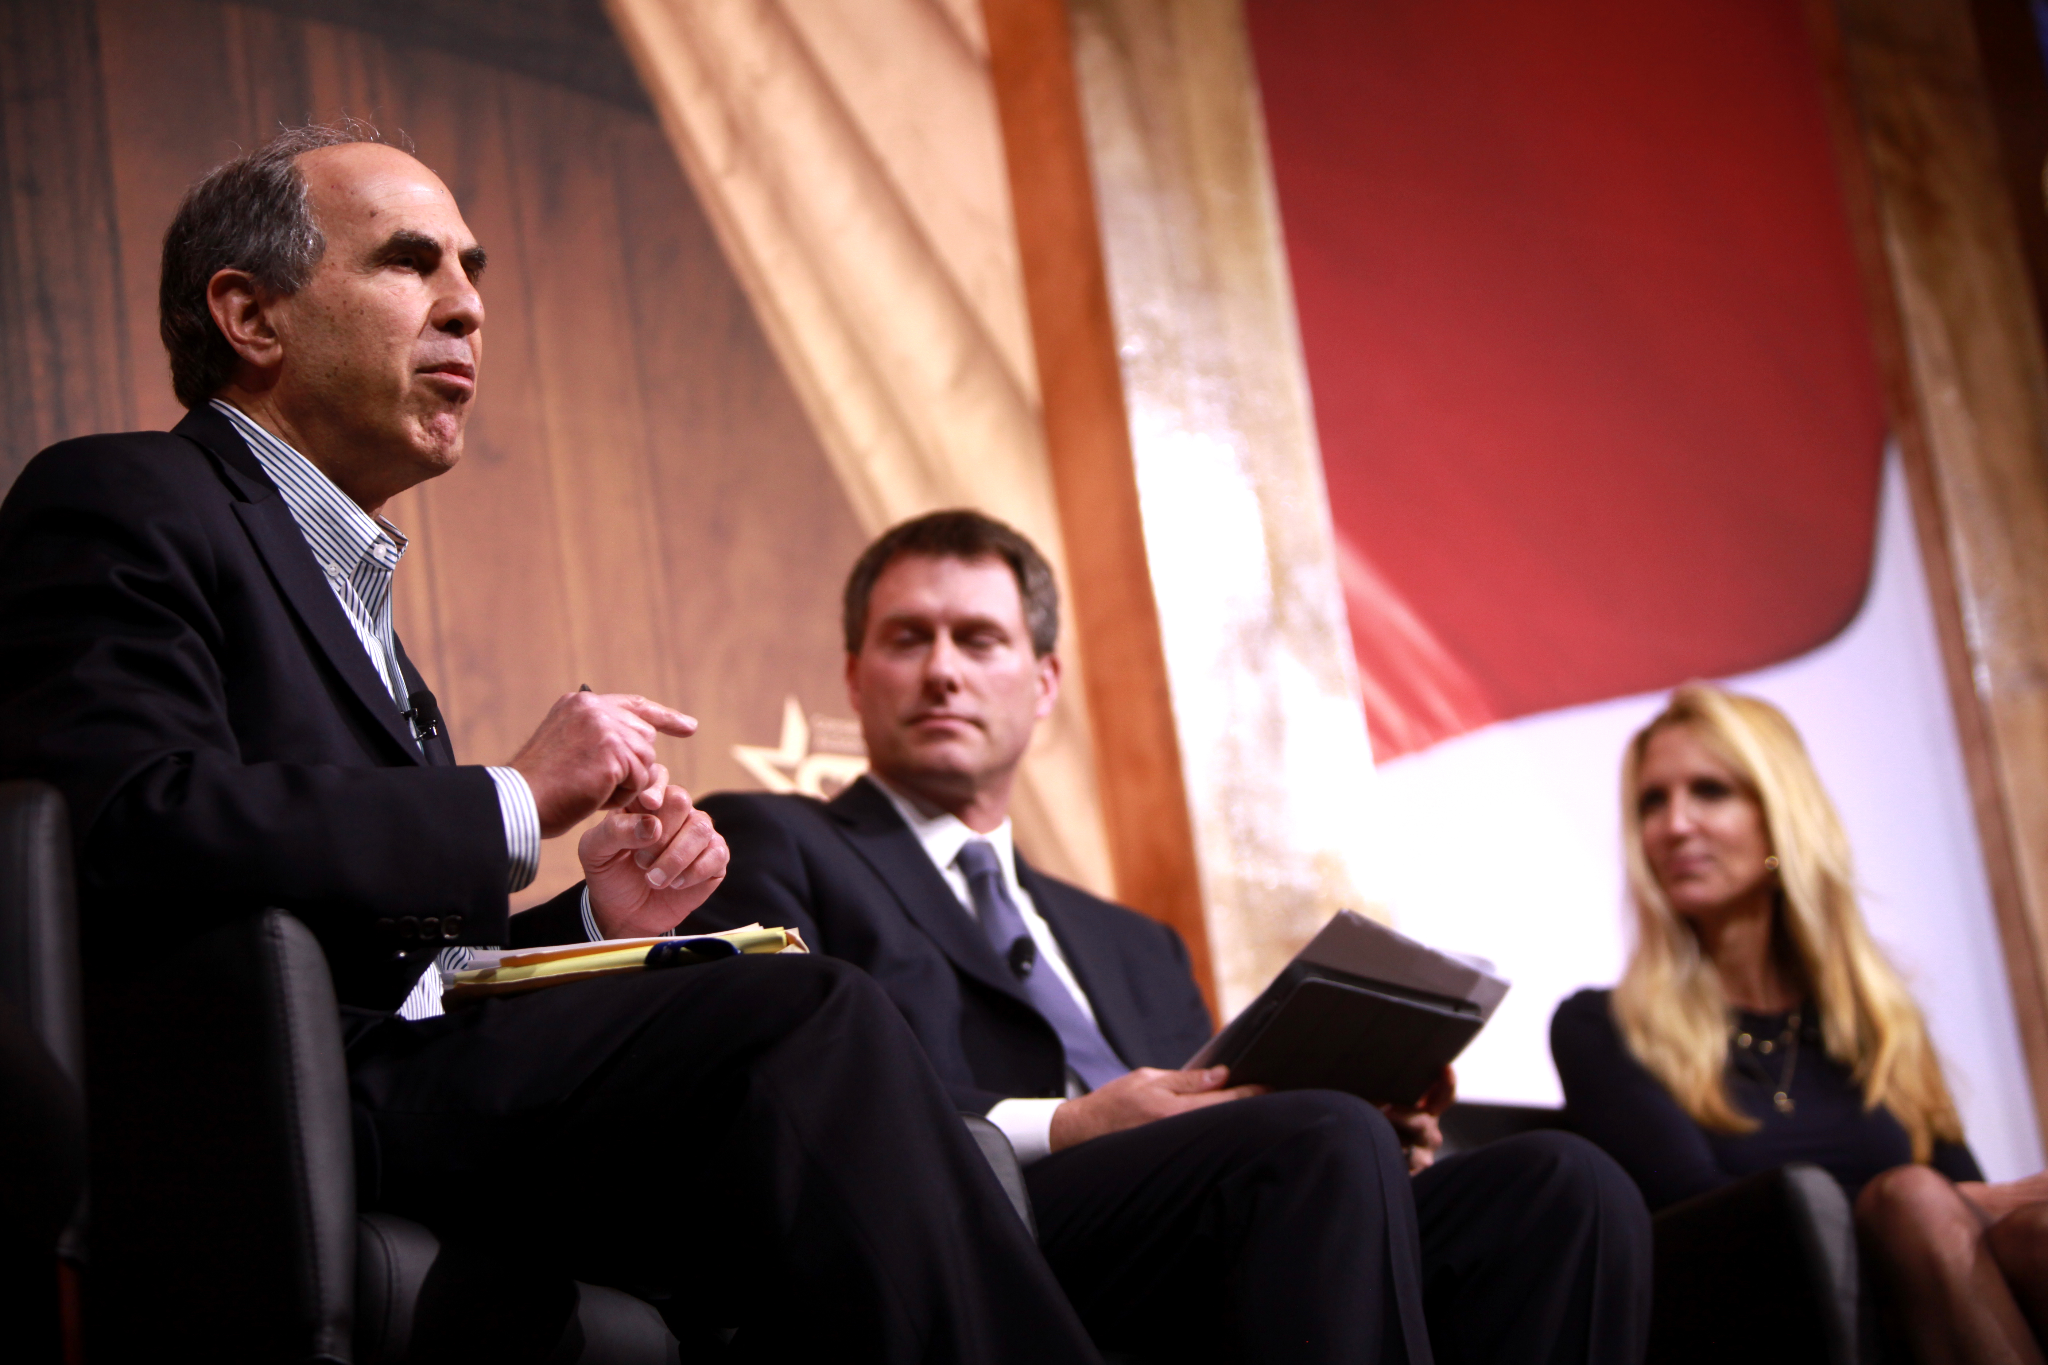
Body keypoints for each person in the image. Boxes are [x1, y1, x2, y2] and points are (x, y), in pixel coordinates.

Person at [0, 123, 1105, 1363]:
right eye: (410, 264)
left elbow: (394, 957)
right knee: (804, 1019)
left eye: (471, 271)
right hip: (261, 1093)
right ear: (251, 316)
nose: (467, 309)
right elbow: (129, 823)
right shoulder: (123, 495)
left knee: (800, 1078)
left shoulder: (350, 595)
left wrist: (587, 924)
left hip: (385, 1070)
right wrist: (512, 800)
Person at [694, 509, 1653, 1365]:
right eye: (909, 639)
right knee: (1319, 1139)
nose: (942, 668)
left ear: (1042, 683)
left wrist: (1370, 1128)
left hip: (1211, 1218)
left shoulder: (1135, 941)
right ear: (856, 679)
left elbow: (1226, 1128)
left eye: (979, 639)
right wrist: (1073, 1123)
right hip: (975, 1223)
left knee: (1565, 1187)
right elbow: (786, 1097)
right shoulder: (775, 838)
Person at [1552, 683, 2048, 1363]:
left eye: (1710, 791)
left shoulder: (1878, 1020)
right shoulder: (1601, 1025)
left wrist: (1965, 1204)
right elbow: (1710, 1216)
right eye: (1652, 802)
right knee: (1911, 1196)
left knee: (2033, 1235)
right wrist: (1932, 1203)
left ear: (1780, 818)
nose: (1674, 824)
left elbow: (1966, 1207)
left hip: (1929, 1315)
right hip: (1760, 1329)